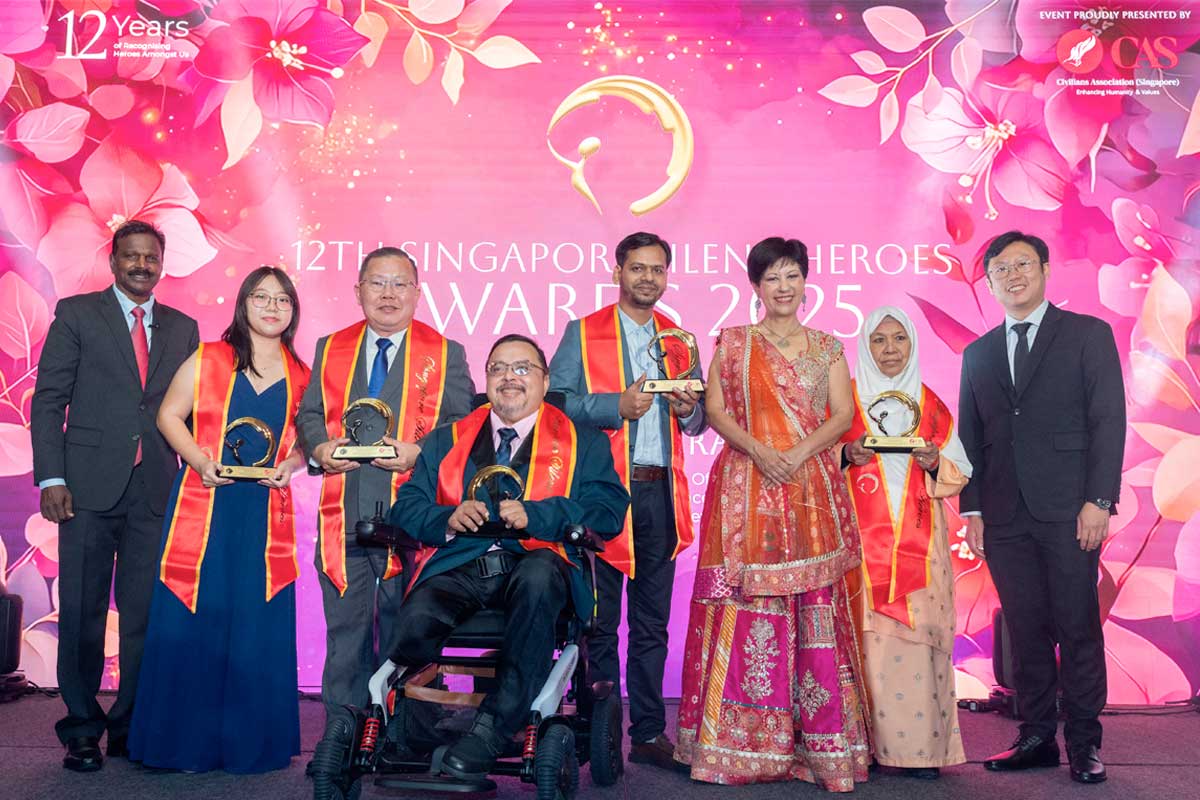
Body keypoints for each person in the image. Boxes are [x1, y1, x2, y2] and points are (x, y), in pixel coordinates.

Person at [385, 334, 630, 778]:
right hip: (462, 565)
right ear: (486, 380)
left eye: (522, 368)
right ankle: (418, 722)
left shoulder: (584, 442)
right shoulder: (447, 440)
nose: (509, 378)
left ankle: (493, 729)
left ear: (545, 380)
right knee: (414, 622)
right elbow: (406, 508)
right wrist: (447, 516)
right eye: (497, 368)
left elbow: (608, 510)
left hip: (541, 564)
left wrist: (540, 514)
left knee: (537, 578)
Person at [675, 237, 870, 790]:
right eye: (772, 278)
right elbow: (715, 410)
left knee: (813, 606)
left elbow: (842, 416)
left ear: (805, 282)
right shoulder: (735, 342)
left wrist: (797, 454)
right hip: (746, 484)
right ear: (756, 286)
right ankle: (739, 744)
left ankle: (818, 746)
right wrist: (761, 451)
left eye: (792, 276)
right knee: (743, 601)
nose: (783, 287)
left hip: (808, 486)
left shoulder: (828, 347)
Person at [31, 220, 200, 772]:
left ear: (162, 264)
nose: (141, 265)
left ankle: (131, 726)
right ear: (113, 260)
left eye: (151, 257)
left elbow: (193, 413)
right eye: (132, 256)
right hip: (83, 489)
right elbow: (49, 400)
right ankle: (82, 729)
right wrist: (51, 478)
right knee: (82, 612)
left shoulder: (184, 328)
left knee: (144, 617)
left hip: (155, 491)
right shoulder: (77, 314)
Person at [126, 267, 309, 772]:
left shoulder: (303, 374)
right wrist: (199, 461)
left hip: (264, 513)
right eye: (261, 297)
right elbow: (168, 415)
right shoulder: (210, 357)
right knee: (194, 618)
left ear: (293, 311)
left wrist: (292, 466)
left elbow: (309, 443)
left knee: (255, 622)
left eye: (282, 300)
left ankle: (251, 746)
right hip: (206, 505)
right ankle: (183, 745)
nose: (272, 307)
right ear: (243, 303)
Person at [959, 231, 1125, 784]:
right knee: (1024, 630)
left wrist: (1098, 500)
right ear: (989, 283)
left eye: (1022, 264)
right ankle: (1035, 737)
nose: (1012, 276)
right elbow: (970, 437)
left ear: (1046, 269)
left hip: (1070, 510)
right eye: (1000, 269)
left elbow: (1108, 420)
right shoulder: (978, 353)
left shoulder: (1087, 334)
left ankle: (1084, 742)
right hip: (1004, 515)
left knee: (1078, 627)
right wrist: (973, 510)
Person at [295, 247, 475, 723]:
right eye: (377, 283)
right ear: (358, 291)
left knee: (408, 627)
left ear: (417, 293)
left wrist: (420, 453)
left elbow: (463, 428)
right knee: (346, 630)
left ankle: (407, 730)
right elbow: (310, 414)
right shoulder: (331, 347)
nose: (388, 294)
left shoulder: (445, 353)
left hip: (412, 514)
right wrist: (318, 448)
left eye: (400, 284)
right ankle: (344, 733)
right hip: (345, 510)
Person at [548, 230, 706, 769]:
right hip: (603, 495)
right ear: (618, 272)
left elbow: (699, 422)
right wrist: (615, 405)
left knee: (652, 623)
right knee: (598, 622)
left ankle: (648, 733)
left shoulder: (679, 339)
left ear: (666, 276)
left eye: (657, 269)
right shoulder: (583, 331)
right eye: (638, 268)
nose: (647, 278)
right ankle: (601, 732)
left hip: (660, 491)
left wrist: (687, 409)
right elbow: (556, 404)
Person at [840, 306, 972, 780]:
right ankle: (861, 747)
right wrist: (846, 453)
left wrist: (935, 462)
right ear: (865, 347)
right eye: (879, 340)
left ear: (912, 345)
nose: (890, 349)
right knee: (864, 640)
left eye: (899, 339)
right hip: (858, 545)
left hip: (923, 543)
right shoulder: (845, 402)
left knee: (920, 639)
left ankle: (919, 752)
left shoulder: (930, 405)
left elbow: (960, 472)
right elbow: (815, 463)